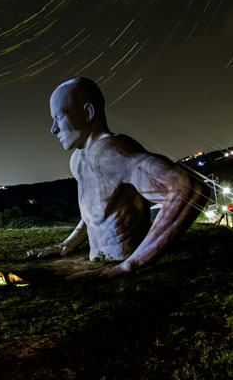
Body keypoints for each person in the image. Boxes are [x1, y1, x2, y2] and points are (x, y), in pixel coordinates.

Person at [28, 77, 209, 277]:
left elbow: (189, 188)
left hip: (124, 258)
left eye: (59, 117)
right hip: (99, 259)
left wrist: (130, 266)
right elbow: (96, 211)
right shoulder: (77, 161)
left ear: (88, 113)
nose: (53, 129)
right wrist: (68, 243)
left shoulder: (111, 153)